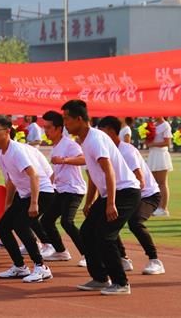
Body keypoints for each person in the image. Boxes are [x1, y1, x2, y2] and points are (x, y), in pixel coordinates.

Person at [61, 100, 141, 295]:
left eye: (67, 119)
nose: (65, 124)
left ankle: (121, 283)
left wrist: (111, 203)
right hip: (111, 193)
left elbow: (109, 171)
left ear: (79, 119)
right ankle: (100, 278)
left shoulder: (95, 139)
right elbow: (94, 176)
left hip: (125, 191)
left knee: (106, 236)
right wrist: (90, 202)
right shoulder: (85, 140)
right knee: (87, 231)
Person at [0, 115, 55, 283]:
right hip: (24, 194)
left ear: (8, 132)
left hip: (42, 192)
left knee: (21, 225)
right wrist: (8, 204)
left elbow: (34, 175)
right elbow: (11, 180)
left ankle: (41, 267)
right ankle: (19, 267)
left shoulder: (16, 150)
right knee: (2, 227)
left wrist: (34, 203)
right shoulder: (1, 152)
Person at [97, 116, 165, 276]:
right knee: (109, 219)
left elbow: (140, 180)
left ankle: (155, 260)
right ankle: (123, 258)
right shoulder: (107, 151)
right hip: (128, 194)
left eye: (102, 133)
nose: (99, 137)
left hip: (148, 194)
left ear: (112, 132)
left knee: (135, 222)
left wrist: (128, 203)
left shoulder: (127, 151)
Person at [39, 111, 87, 266]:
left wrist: (64, 160)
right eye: (44, 128)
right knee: (46, 221)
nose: (45, 131)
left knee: (67, 221)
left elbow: (83, 159)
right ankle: (61, 251)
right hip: (61, 190)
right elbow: (58, 170)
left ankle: (88, 255)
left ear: (59, 128)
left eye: (48, 128)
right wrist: (49, 181)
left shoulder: (69, 144)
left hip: (74, 189)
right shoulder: (56, 146)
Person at [146, 117, 173, 216]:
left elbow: (167, 142)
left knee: (162, 182)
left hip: (161, 154)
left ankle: (164, 208)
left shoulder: (165, 125)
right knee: (155, 183)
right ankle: (157, 206)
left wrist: (153, 144)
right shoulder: (153, 125)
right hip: (153, 154)